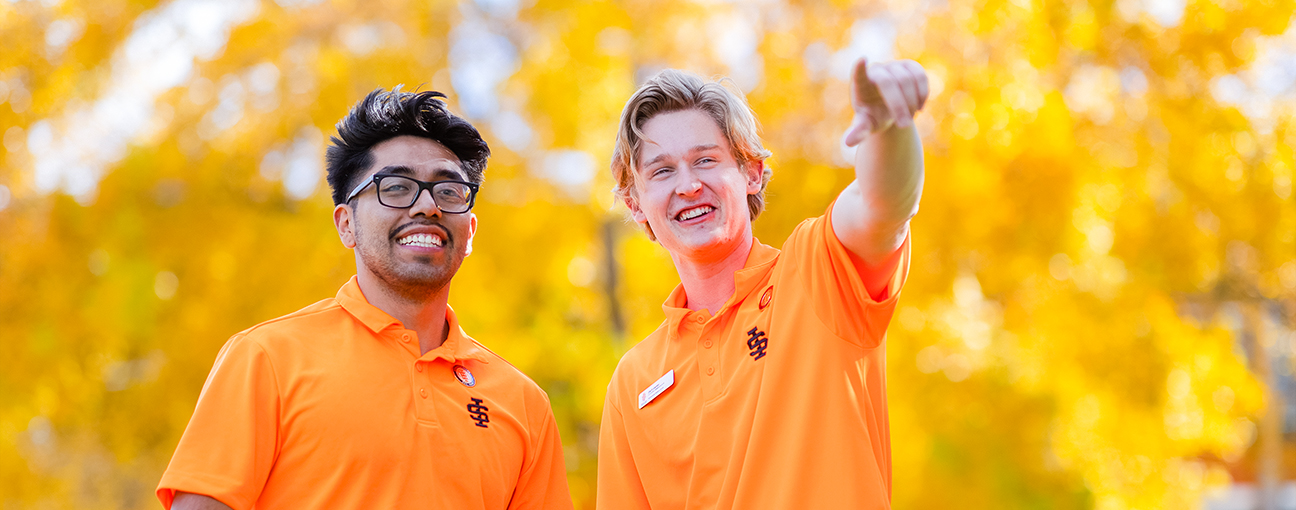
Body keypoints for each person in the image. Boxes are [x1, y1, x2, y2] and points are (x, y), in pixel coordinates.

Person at [157, 88, 573, 510]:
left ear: (470, 233)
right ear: (346, 224)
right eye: (396, 187)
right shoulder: (267, 359)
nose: (427, 206)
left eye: (449, 191)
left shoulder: (523, 403)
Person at [596, 58, 928, 509]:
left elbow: (881, 205)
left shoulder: (817, 273)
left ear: (751, 172)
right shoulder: (632, 381)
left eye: (706, 160)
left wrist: (890, 131)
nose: (689, 185)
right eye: (662, 171)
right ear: (636, 204)